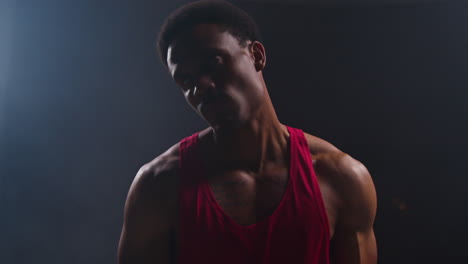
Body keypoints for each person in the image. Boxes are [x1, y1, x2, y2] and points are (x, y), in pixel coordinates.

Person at [117, 0, 377, 263]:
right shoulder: (158, 185)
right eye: (186, 79)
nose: (201, 86)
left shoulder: (340, 176)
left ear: (256, 55)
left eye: (213, 62)